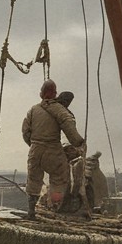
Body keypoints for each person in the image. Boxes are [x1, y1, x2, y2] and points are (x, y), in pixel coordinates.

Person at [21, 79, 84, 218]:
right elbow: (69, 128)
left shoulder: (33, 110)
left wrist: (33, 145)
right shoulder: (60, 110)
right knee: (59, 176)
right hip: (52, 150)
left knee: (33, 179)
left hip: (35, 149)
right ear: (55, 94)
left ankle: (31, 210)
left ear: (41, 94)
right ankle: (55, 205)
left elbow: (25, 131)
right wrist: (78, 143)